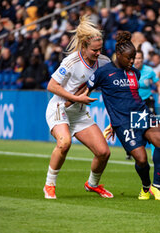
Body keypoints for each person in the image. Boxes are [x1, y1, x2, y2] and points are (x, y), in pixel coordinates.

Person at [87, 31, 160, 201]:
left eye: (134, 58)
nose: (132, 62)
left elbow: (129, 97)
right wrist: (69, 103)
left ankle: (157, 186)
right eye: (129, 58)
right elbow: (85, 91)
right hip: (123, 122)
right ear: (118, 55)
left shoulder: (134, 73)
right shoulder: (103, 73)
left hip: (141, 113)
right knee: (141, 159)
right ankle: (146, 187)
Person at [43, 15, 113, 199]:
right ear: (84, 47)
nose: (98, 53)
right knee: (64, 143)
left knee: (104, 152)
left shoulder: (104, 63)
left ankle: (92, 185)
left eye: (100, 49)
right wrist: (76, 98)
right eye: (94, 50)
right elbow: (51, 86)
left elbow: (110, 90)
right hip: (59, 108)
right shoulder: (71, 62)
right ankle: (49, 185)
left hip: (79, 113)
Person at [123, 46, 160, 160]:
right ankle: (131, 150)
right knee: (134, 129)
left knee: (153, 126)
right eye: (136, 58)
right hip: (133, 103)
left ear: (143, 59)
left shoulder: (149, 71)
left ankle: (154, 154)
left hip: (147, 101)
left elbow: (159, 84)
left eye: (140, 58)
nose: (138, 60)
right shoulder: (127, 71)